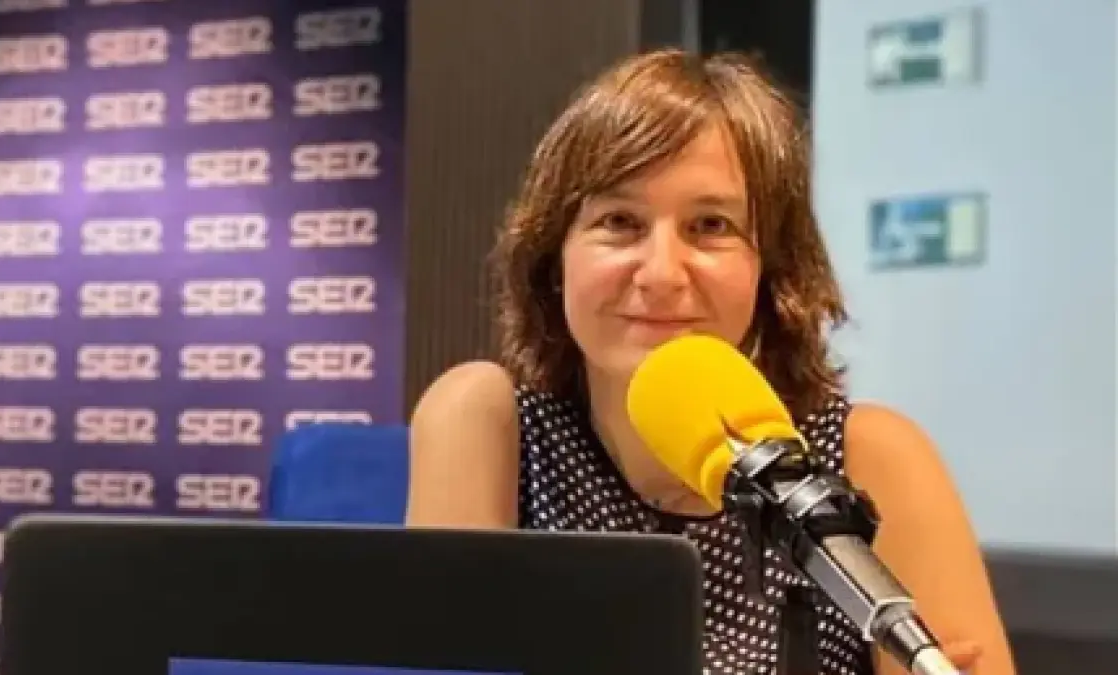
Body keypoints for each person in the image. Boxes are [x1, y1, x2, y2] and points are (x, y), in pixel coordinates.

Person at [405, 48, 1015, 675]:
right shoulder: (488, 423)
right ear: (554, 257)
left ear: (770, 268)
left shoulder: (873, 457)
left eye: (711, 226)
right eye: (619, 221)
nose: (662, 273)